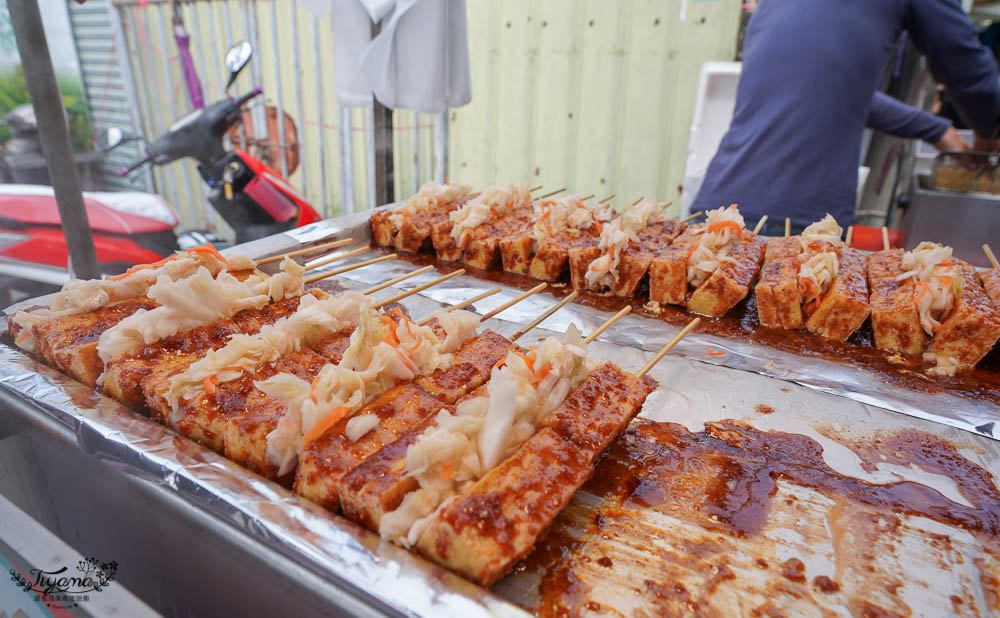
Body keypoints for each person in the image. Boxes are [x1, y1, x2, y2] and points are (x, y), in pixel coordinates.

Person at [690, 0, 1000, 235]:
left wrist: (936, 130)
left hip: (716, 204)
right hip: (796, 225)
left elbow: (831, 88)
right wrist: (988, 133)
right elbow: (966, 65)